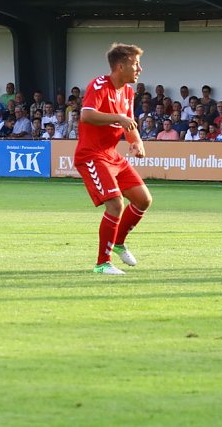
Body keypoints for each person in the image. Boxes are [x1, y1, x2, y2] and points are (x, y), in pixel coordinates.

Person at [75, 43, 152, 275]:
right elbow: (86, 115)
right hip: (92, 155)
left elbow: (128, 123)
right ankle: (102, 264)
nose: (140, 68)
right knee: (116, 204)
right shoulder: (99, 85)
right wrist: (118, 117)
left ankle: (118, 242)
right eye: (135, 64)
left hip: (112, 155)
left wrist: (135, 141)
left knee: (143, 199)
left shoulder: (128, 91)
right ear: (121, 66)